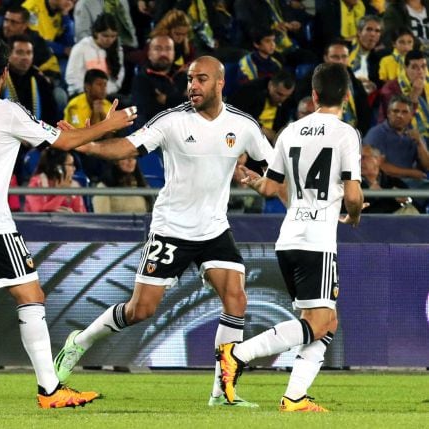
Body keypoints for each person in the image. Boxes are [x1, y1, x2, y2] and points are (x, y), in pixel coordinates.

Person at [0, 39, 136, 409]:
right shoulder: (8, 112)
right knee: (31, 297)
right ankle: (49, 390)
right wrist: (108, 125)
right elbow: (64, 142)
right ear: (4, 73)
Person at [53, 55, 275, 408]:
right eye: (189, 79)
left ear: (220, 83)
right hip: (171, 228)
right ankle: (79, 342)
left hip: (214, 229)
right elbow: (125, 148)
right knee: (140, 310)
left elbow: (274, 169)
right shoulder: (171, 121)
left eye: (201, 79)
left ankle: (222, 392)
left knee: (236, 298)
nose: (193, 86)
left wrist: (260, 180)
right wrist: (85, 143)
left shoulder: (243, 126)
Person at [218, 62, 365, 412]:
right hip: (317, 240)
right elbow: (354, 194)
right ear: (346, 95)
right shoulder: (346, 133)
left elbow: (271, 186)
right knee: (320, 321)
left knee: (324, 322)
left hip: (288, 239)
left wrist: (251, 179)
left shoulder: (290, 131)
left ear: (313, 95)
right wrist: (353, 216)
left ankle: (295, 396)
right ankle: (237, 354)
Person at [365, 94, 429, 181]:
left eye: (404, 112)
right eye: (395, 111)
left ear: (411, 116)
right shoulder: (376, 133)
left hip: (411, 183)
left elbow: (427, 166)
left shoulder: (414, 134)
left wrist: (420, 143)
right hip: (386, 184)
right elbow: (379, 166)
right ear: (388, 114)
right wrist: (411, 173)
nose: (400, 115)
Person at [131, 34, 187, 126]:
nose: (163, 54)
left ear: (174, 53)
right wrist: (181, 99)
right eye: (158, 49)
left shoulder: (184, 75)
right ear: (149, 54)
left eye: (168, 49)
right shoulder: (141, 79)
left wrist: (167, 100)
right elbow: (147, 114)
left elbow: (198, 105)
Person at [65, 13, 124, 96]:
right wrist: (90, 92)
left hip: (108, 95)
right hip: (82, 95)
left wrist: (105, 92)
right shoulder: (81, 48)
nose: (109, 40)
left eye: (113, 36)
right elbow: (72, 78)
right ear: (96, 33)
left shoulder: (118, 50)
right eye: (105, 36)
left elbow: (118, 78)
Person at [229, 71, 296, 144]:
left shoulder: (288, 101)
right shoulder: (250, 91)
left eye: (287, 95)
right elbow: (235, 116)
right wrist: (262, 129)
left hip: (269, 144)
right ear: (270, 85)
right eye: (279, 94)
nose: (282, 99)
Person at [379, 50, 429, 138]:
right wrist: (414, 94)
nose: (420, 71)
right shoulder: (390, 88)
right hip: (398, 136)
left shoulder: (427, 84)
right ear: (405, 68)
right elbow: (397, 122)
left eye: (423, 66)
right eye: (414, 67)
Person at [24, 148, 87, 213]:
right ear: (58, 167)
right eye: (70, 165)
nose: (74, 168)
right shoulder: (36, 183)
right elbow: (38, 213)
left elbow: (81, 214)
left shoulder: (73, 185)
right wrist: (63, 192)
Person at [347, 15, 383, 94]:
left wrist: (373, 85)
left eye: (377, 31)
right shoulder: (346, 49)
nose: (373, 34)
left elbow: (378, 82)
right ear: (359, 32)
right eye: (369, 29)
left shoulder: (378, 58)